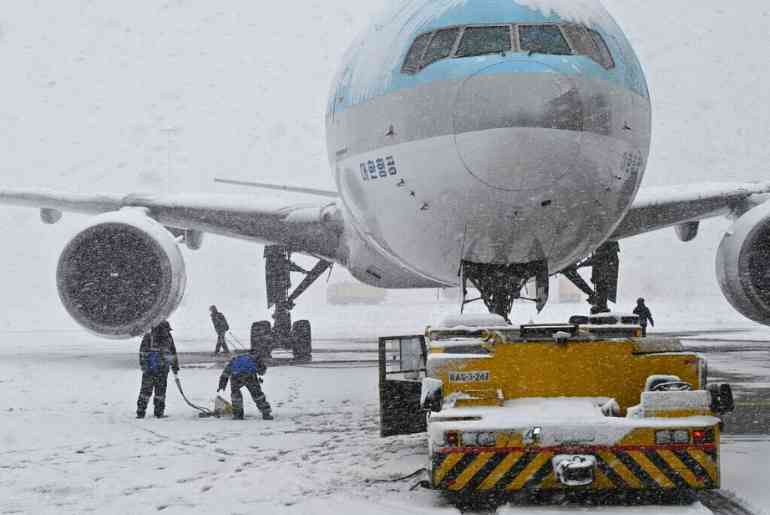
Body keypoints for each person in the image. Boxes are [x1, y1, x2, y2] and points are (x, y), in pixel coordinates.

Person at [137, 321, 179, 418]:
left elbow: (142, 352)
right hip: (162, 370)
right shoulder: (168, 338)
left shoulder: (149, 336)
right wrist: (175, 367)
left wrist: (144, 366)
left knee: (145, 392)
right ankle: (159, 413)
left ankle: (141, 412)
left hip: (150, 369)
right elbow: (173, 353)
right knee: (160, 392)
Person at [217, 347, 273, 420]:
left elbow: (226, 372)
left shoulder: (236, 358)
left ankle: (238, 414)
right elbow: (262, 371)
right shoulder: (256, 358)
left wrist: (222, 384)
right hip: (250, 377)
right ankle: (266, 413)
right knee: (257, 395)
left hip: (236, 377)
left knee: (236, 397)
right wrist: (259, 372)